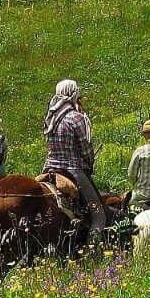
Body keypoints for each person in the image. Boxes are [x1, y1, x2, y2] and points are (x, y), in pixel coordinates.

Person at [41, 79, 105, 241]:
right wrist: (89, 164)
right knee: (98, 214)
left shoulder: (51, 118)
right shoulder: (77, 118)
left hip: (50, 168)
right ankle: (95, 244)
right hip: (73, 170)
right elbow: (86, 149)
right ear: (73, 93)